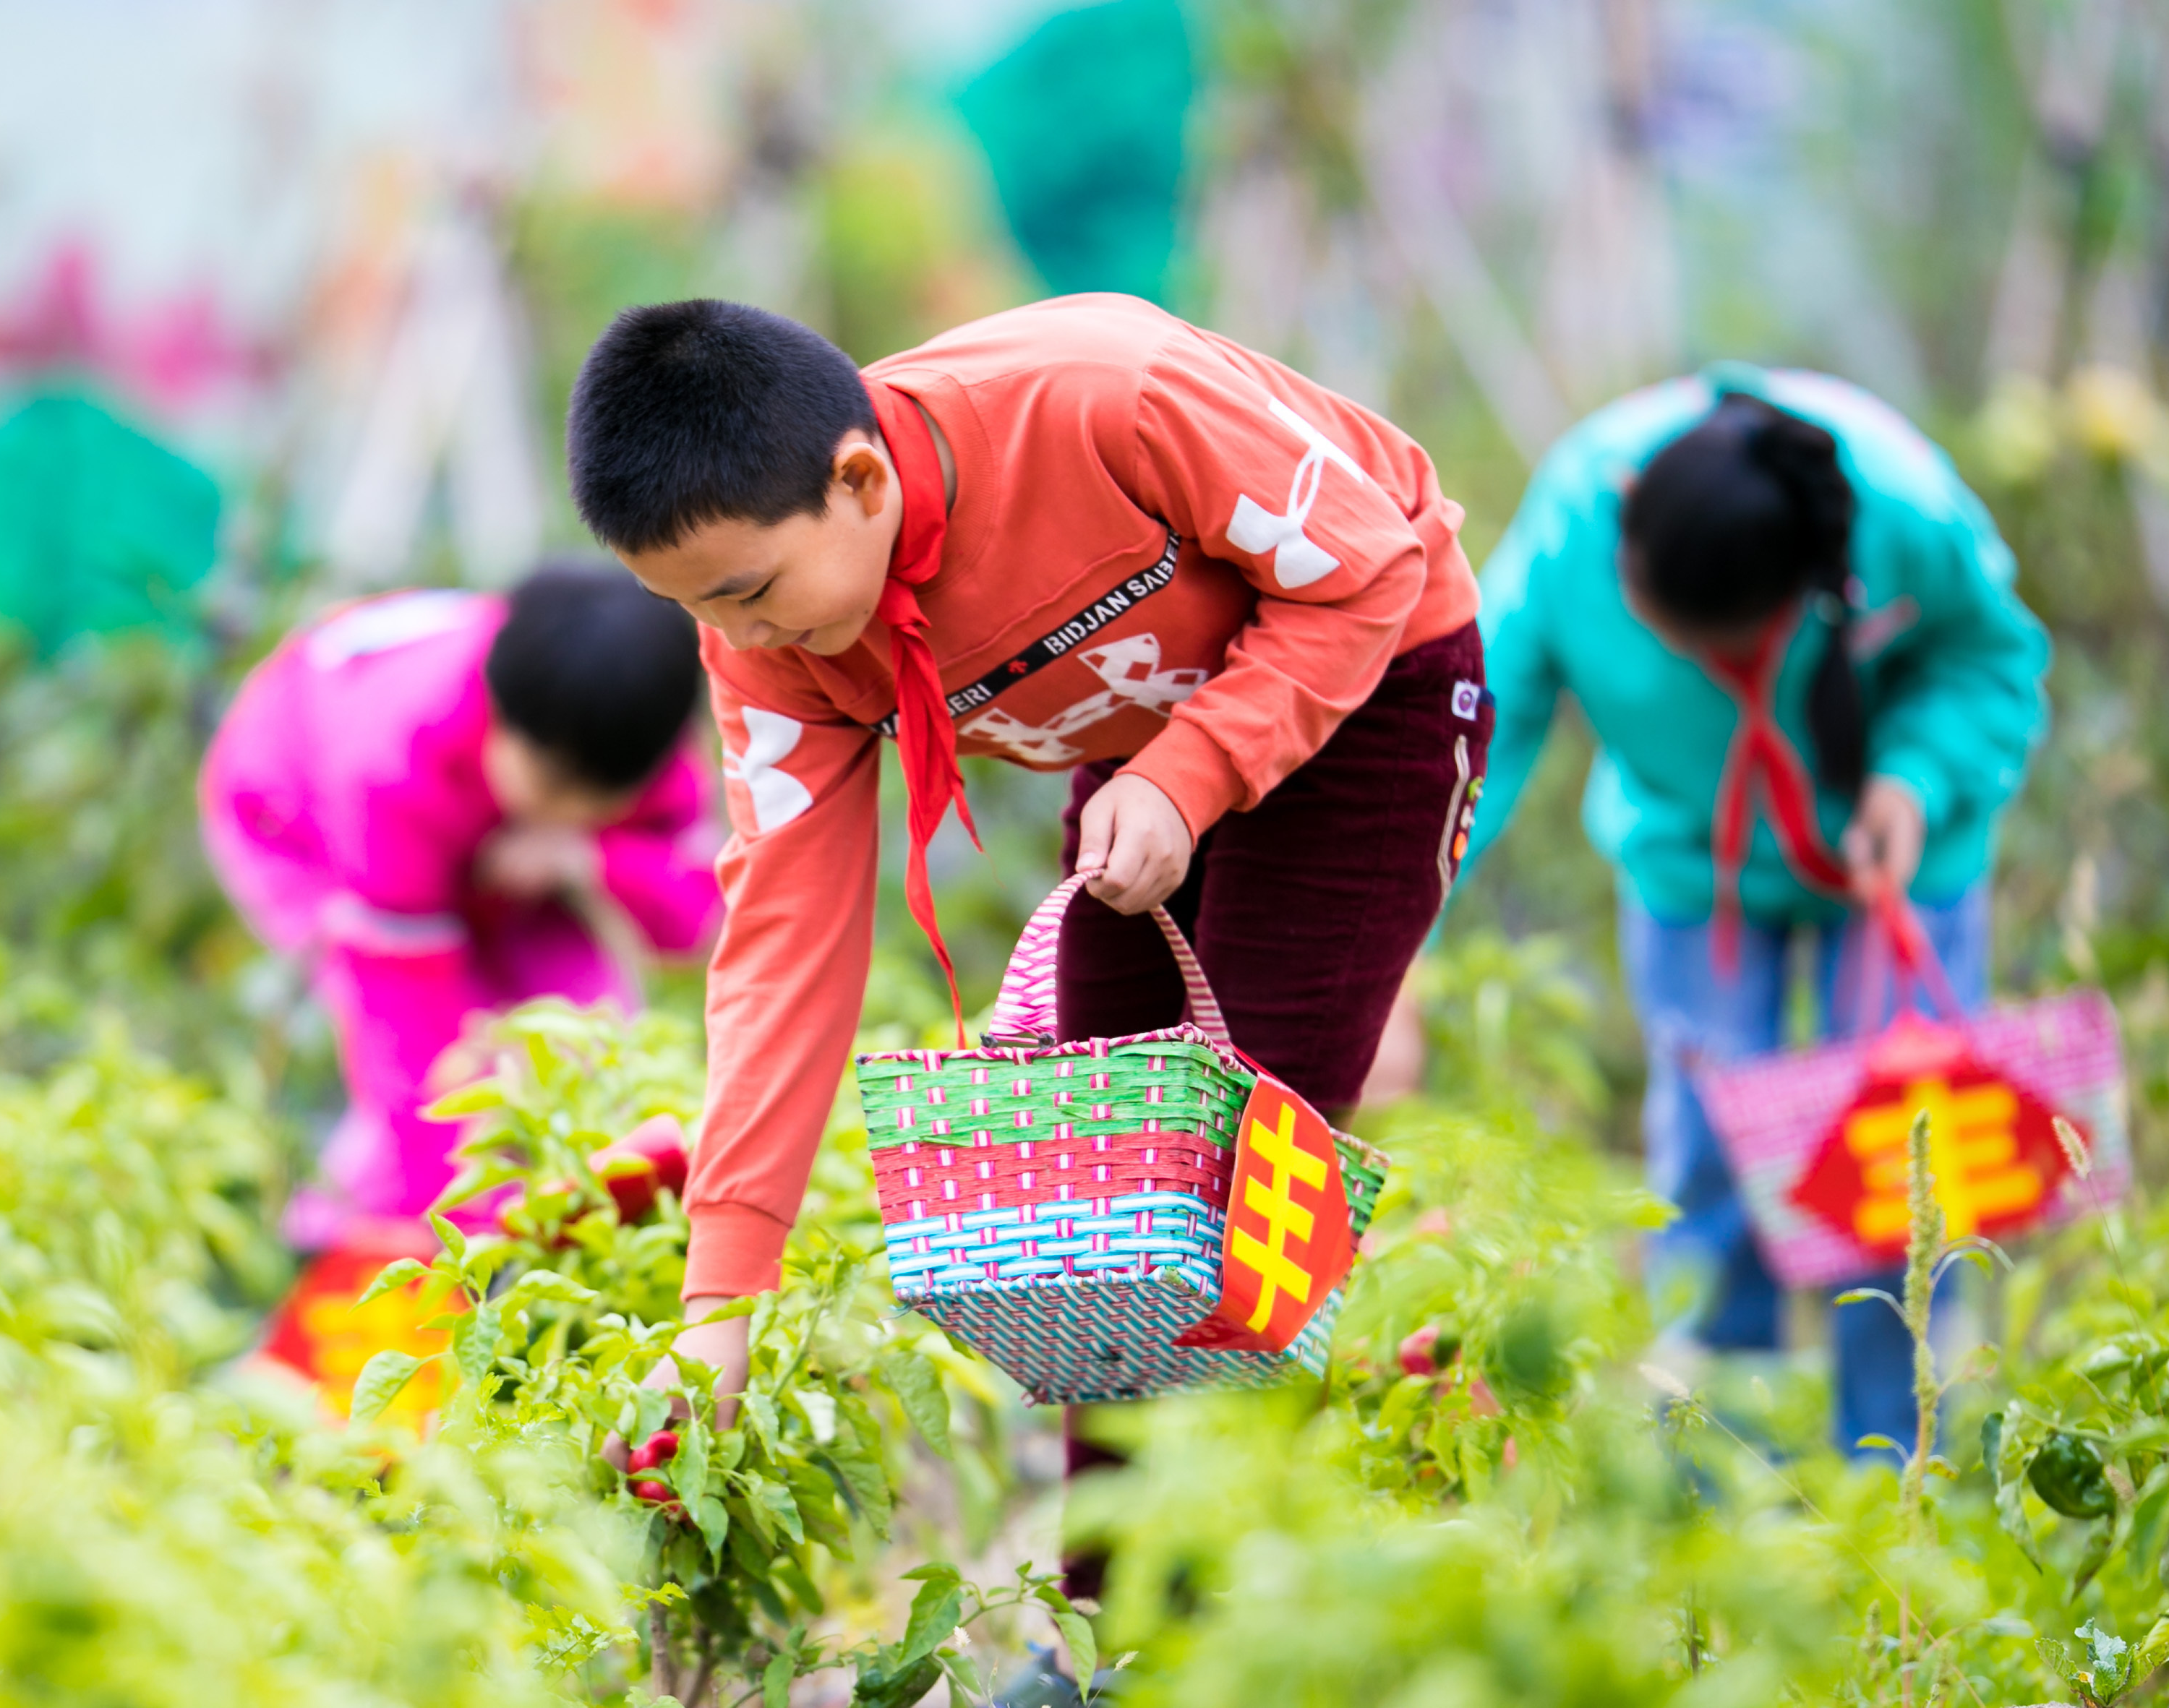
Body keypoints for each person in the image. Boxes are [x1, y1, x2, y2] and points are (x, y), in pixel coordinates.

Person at [563, 295, 1490, 1402]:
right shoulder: (767, 651)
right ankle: (1108, 1574)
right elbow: (780, 946)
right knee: (1089, 1211)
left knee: (1241, 1183)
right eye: (700, 613)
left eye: (751, 592)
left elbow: (1369, 567)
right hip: (1149, 741)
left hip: (1366, 688)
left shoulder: (1104, 397)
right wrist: (721, 1301)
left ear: (860, 480)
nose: (745, 640)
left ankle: (1254, 1545)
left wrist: (1187, 774)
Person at [1461, 364, 2050, 1455]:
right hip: (1696, 860)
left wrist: (1913, 777)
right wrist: (1394, 917)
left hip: (1893, 856)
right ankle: (1722, 1450)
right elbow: (1481, 722)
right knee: (1705, 1145)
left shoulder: (1899, 505)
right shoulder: (1577, 518)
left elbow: (1992, 658)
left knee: (1898, 1158)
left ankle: (1894, 1457)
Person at [200, 564, 722, 1245]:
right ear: (498, 715)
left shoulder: (627, 727)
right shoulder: (390, 765)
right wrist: (462, 1232)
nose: (571, 811)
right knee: (445, 1087)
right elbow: (407, 1029)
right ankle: (341, 1244)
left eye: (599, 804)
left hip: (492, 841)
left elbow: (691, 918)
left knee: (583, 1032)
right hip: (296, 818)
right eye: (553, 787)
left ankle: (581, 1232)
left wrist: (588, 856)